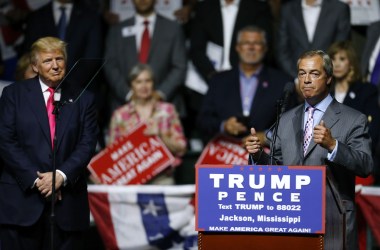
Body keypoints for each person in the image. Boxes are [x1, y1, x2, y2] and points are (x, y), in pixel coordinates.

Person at [245, 50, 373, 250]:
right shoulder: (286, 120)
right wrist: (258, 155)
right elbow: (276, 169)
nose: (306, 80)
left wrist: (333, 145)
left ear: (329, 78)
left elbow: (365, 164)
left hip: (332, 223)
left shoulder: (353, 119)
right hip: (291, 223)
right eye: (302, 73)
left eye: (314, 74)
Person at [0, 37, 99, 249]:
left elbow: (87, 144)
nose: (55, 65)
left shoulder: (85, 98)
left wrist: (60, 176)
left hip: (68, 206)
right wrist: (40, 181)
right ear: (34, 66)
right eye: (47, 61)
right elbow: (6, 141)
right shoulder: (13, 95)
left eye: (59, 59)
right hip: (21, 203)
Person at [197, 25, 294, 144]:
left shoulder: (283, 82)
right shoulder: (218, 81)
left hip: (267, 156)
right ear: (238, 47)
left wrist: (267, 136)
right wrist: (224, 126)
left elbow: (293, 124)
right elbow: (203, 121)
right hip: (225, 154)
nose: (251, 47)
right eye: (246, 43)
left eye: (257, 43)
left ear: (264, 48)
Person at [104, 0, 187, 119]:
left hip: (165, 110)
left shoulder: (173, 29)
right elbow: (110, 65)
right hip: (125, 108)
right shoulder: (117, 30)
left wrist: (159, 94)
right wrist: (129, 94)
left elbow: (180, 66)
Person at [107, 64, 187, 185]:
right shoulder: (120, 115)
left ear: (153, 83)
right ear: (131, 85)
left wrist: (161, 137)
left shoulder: (168, 110)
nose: (143, 86)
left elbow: (182, 148)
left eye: (147, 81)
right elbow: (111, 153)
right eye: (138, 82)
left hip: (162, 176)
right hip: (130, 179)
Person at [328, 40, 380, 185]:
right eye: (333, 59)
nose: (337, 64)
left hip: (356, 163)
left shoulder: (366, 91)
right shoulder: (323, 93)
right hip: (326, 162)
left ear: (351, 63)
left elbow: (371, 132)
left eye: (342, 59)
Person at [276, 0, 351, 79]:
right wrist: (298, 78)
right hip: (294, 81)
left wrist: (324, 77)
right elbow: (281, 50)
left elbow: (341, 48)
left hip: (329, 81)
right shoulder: (287, 9)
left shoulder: (339, 9)